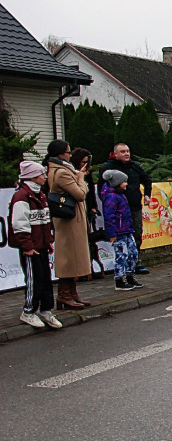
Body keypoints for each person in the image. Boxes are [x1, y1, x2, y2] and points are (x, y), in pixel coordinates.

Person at [8, 161, 61, 329]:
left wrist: (48, 242)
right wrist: (27, 246)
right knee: (34, 280)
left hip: (42, 245)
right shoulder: (21, 196)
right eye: (41, 174)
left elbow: (45, 222)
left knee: (46, 279)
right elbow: (19, 224)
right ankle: (28, 311)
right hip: (31, 248)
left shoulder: (41, 195)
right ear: (32, 176)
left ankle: (46, 310)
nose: (45, 177)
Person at [46, 139, 92, 309]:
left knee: (74, 258)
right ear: (60, 154)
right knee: (68, 258)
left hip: (73, 219)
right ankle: (64, 295)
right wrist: (81, 179)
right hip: (68, 219)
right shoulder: (61, 173)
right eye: (68, 152)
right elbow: (80, 194)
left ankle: (72, 292)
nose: (70, 155)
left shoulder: (63, 170)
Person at [98, 142, 152, 274]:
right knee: (121, 239)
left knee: (137, 235)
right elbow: (102, 189)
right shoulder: (108, 169)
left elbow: (147, 179)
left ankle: (135, 263)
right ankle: (121, 268)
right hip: (119, 210)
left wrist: (147, 195)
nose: (126, 154)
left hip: (134, 207)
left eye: (128, 151)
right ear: (115, 154)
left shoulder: (134, 167)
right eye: (122, 152)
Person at [100, 169, 143, 291]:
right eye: (124, 182)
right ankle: (119, 278)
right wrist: (112, 233)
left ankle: (129, 274)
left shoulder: (120, 195)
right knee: (121, 255)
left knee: (133, 253)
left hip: (127, 230)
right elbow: (109, 216)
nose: (126, 184)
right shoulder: (111, 197)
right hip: (118, 232)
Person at [70, 148, 103, 280]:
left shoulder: (87, 174)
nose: (86, 165)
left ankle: (89, 267)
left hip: (87, 208)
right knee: (78, 242)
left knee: (89, 241)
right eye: (83, 162)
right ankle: (80, 271)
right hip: (76, 209)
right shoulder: (74, 173)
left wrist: (93, 207)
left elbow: (89, 193)